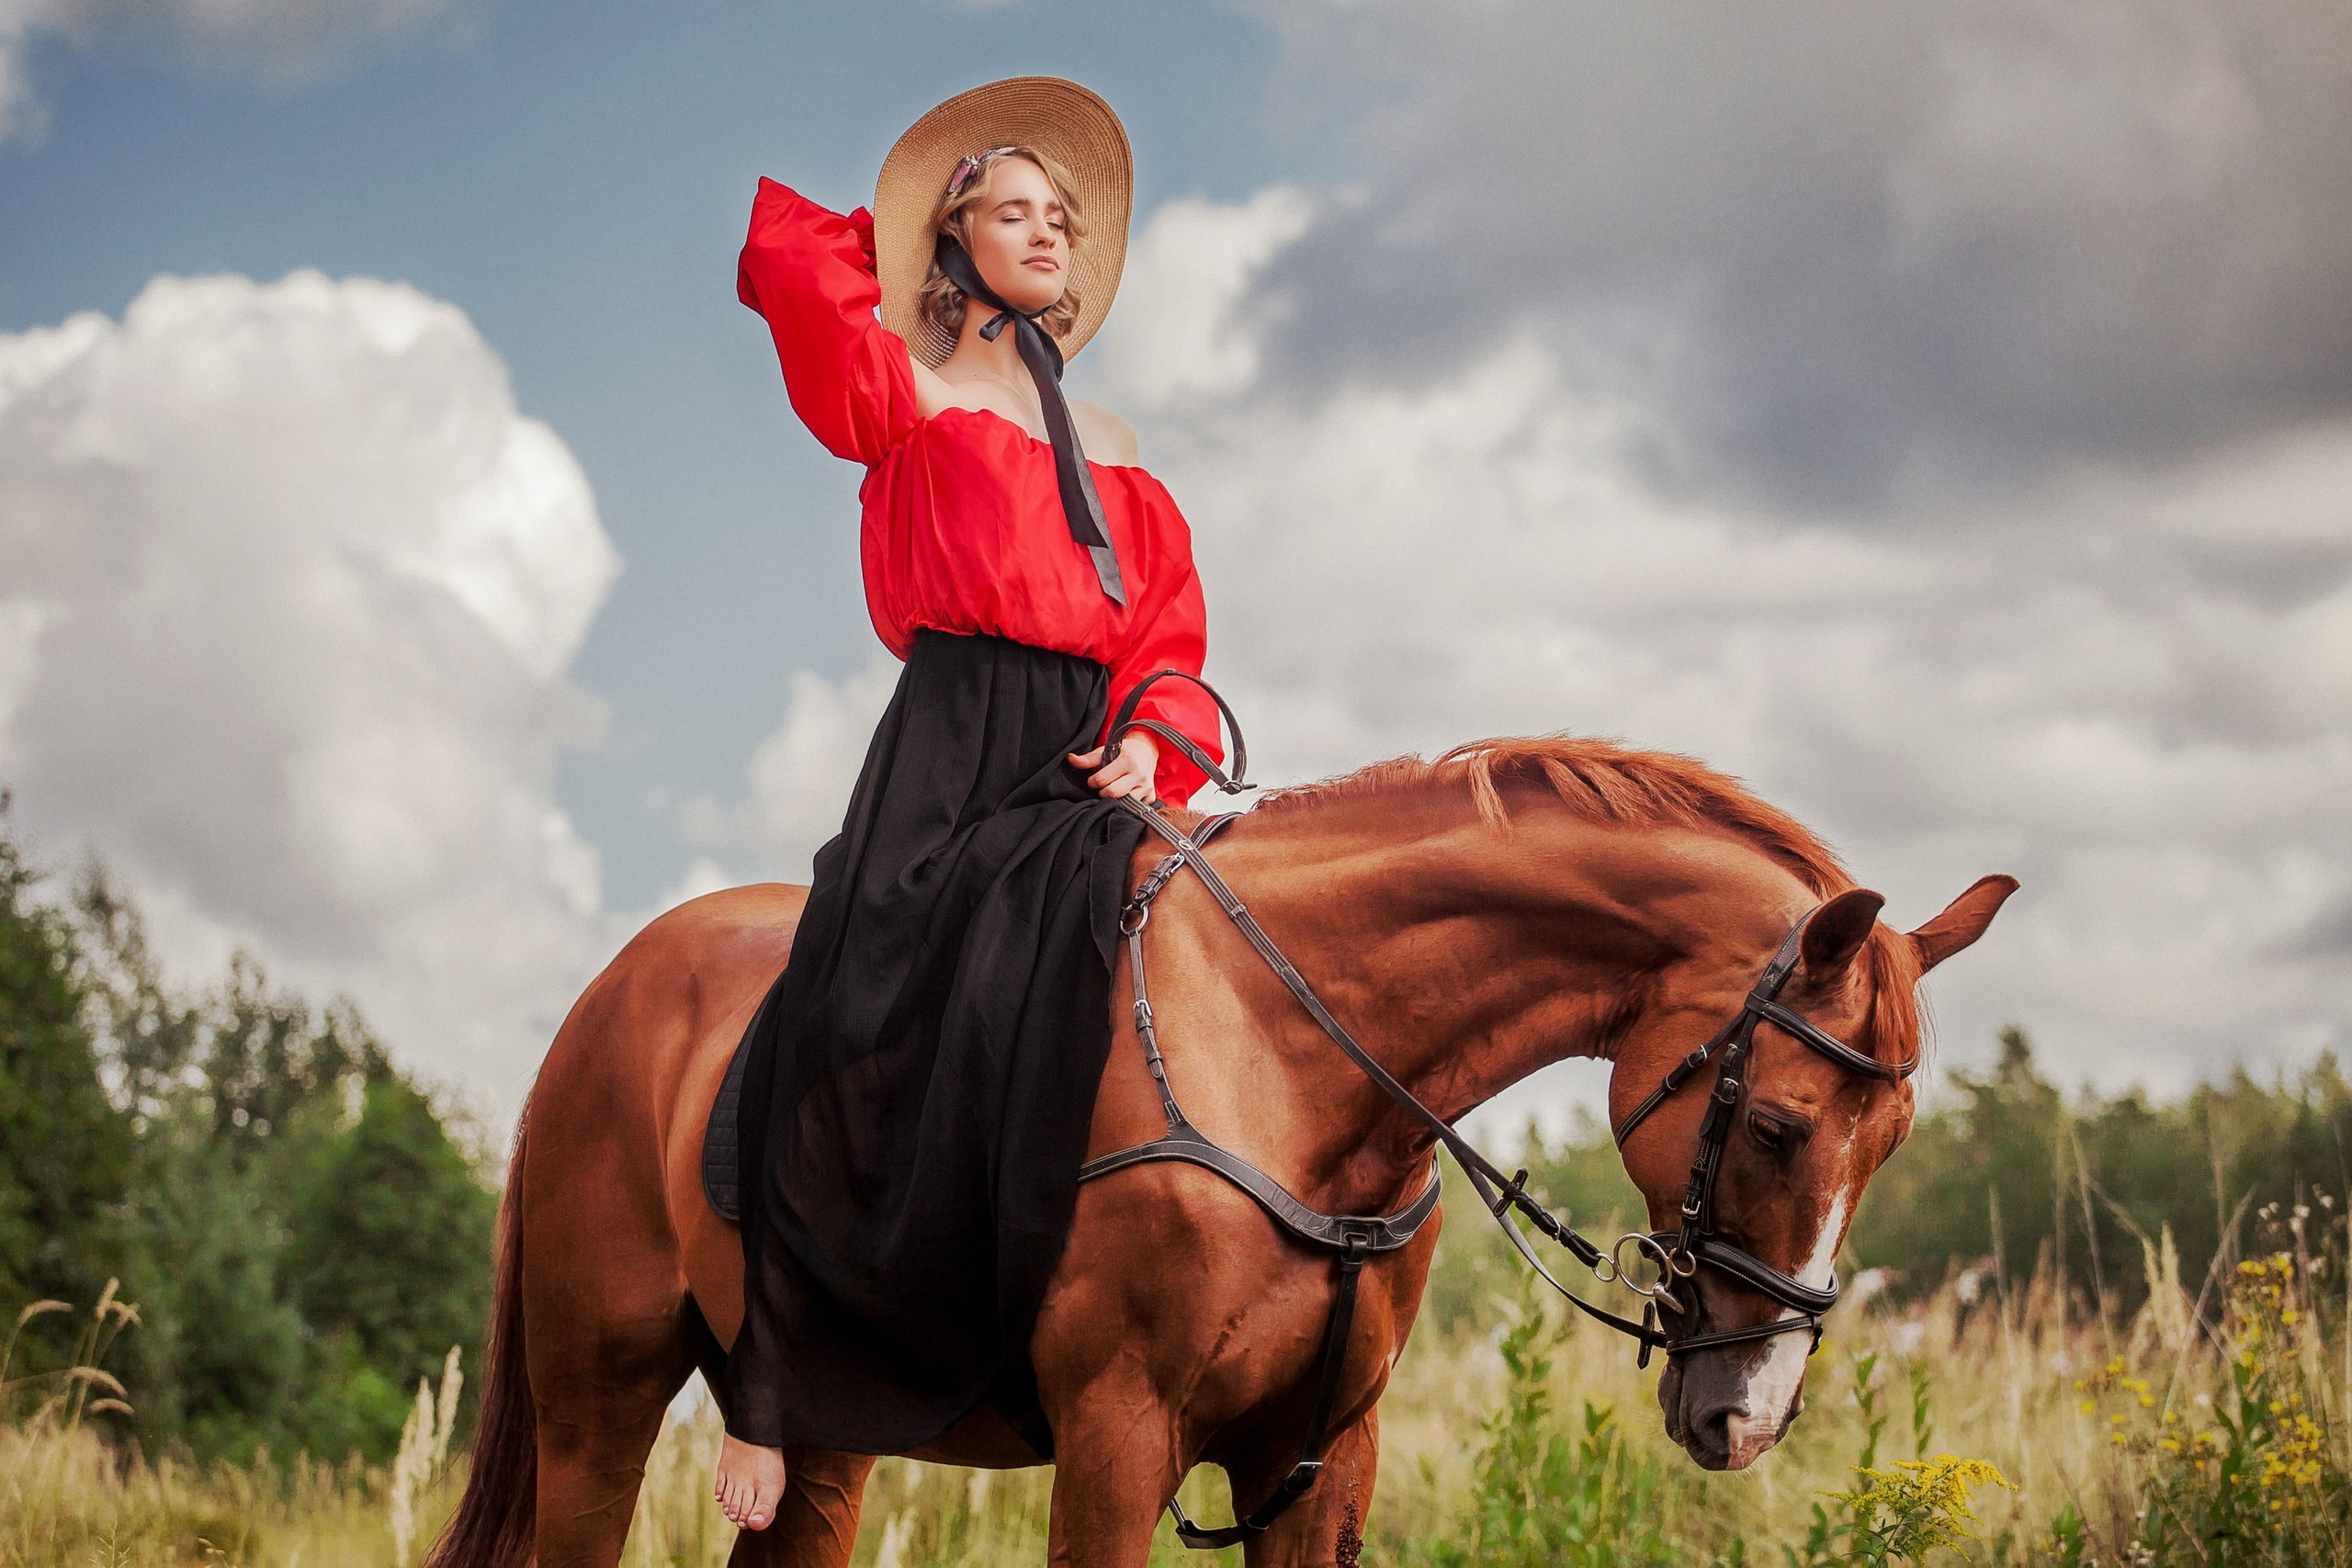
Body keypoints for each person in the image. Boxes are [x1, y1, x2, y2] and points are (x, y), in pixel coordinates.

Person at [710, 78, 1225, 1531]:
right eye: (1015, 211)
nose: (1049, 232)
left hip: (1083, 750)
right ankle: (772, 1382)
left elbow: (1168, 633)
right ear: (958, 239)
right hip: (949, 733)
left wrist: (1151, 740)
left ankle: (1059, 1303)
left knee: (1132, 988)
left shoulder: (1118, 440)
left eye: (1063, 217)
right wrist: (909, 233)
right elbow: (796, 269)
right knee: (855, 984)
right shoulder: (905, 388)